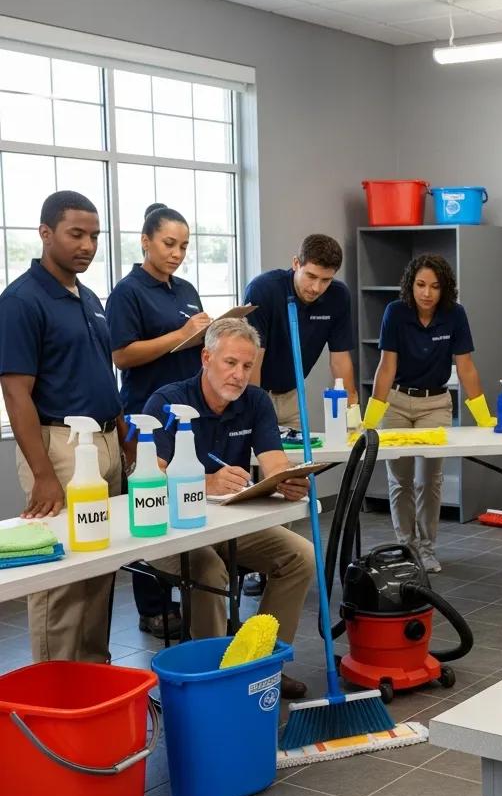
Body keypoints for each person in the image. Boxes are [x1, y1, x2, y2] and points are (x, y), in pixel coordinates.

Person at [142, 318, 313, 699]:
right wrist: (206, 483)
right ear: (206, 357)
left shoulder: (254, 401)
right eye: (230, 363)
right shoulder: (167, 402)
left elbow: (274, 462)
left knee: (301, 556)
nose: (238, 375)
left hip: (228, 525)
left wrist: (286, 481)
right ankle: (215, 681)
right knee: (209, 571)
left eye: (247, 367)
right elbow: (152, 479)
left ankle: (263, 664)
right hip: (173, 532)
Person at [0, 191, 126, 663]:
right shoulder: (20, 301)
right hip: (60, 448)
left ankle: (94, 676)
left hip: (107, 441)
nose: (88, 245)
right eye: (76, 234)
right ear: (46, 233)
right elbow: (16, 392)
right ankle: (54, 689)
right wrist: (44, 474)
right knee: (64, 576)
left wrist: (123, 437)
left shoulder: (89, 296)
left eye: (94, 235)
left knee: (101, 562)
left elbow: (96, 373)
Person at [105, 202, 210, 640]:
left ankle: (195, 590)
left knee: (185, 501)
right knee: (149, 504)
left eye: (184, 245)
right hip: (145, 412)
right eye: (169, 243)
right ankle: (152, 606)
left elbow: (196, 342)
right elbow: (121, 353)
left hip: (186, 407)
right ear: (145, 241)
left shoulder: (184, 288)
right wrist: (179, 336)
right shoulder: (127, 293)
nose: (177, 253)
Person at [363, 254, 496, 573]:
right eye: (421, 285)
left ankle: (426, 547)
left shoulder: (454, 315)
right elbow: (386, 367)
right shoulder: (395, 312)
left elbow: (465, 368)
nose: (427, 293)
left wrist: (484, 419)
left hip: (435, 404)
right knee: (400, 480)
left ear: (444, 289)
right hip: (396, 402)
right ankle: (406, 546)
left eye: (435, 286)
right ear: (411, 285)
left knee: (429, 479)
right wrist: (368, 422)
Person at [244, 234, 358, 430]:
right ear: (296, 263)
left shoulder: (338, 296)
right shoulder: (263, 289)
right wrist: (254, 409)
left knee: (296, 459)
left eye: (325, 280)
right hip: (256, 392)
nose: (316, 288)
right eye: (311, 276)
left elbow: (340, 359)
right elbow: (253, 358)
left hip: (292, 395)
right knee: (259, 458)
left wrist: (352, 411)